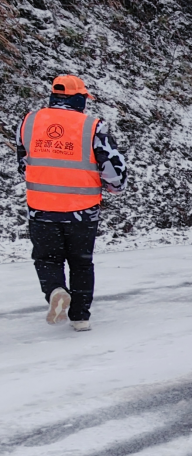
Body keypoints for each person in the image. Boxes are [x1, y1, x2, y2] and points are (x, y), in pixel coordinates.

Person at [15, 75, 127, 332]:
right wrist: (114, 188)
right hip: (82, 211)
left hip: (41, 207)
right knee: (81, 262)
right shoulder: (92, 126)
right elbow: (113, 169)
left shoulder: (29, 122)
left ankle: (55, 290)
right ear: (79, 99)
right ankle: (80, 317)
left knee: (47, 259)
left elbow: (24, 166)